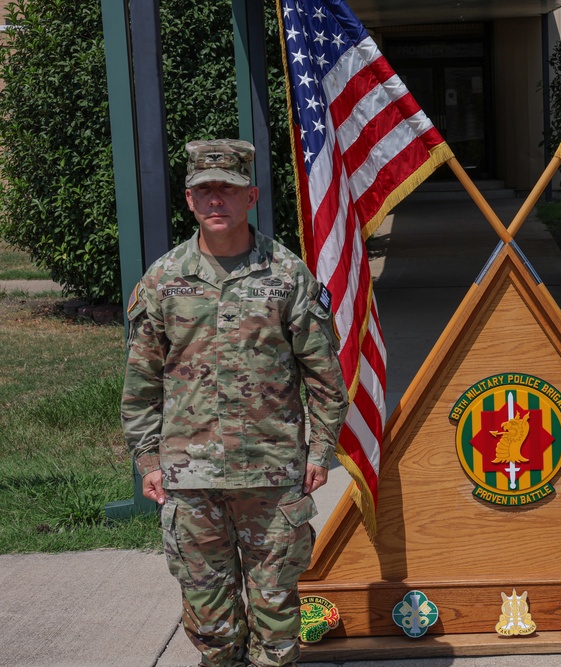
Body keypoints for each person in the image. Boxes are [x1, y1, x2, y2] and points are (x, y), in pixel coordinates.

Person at [121, 139, 349, 667]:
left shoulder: (286, 275)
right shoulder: (163, 280)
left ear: (252, 196)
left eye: (228, 189)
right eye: (205, 191)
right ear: (189, 200)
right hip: (191, 477)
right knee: (211, 625)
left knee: (276, 623)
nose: (216, 201)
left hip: (271, 475)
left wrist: (319, 452)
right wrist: (148, 460)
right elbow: (141, 382)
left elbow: (323, 374)